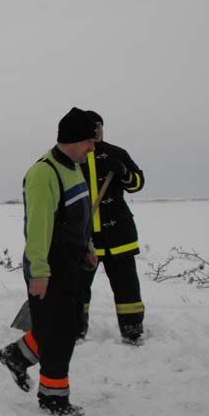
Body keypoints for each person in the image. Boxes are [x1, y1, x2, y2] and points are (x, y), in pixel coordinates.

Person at [0, 107, 98, 416]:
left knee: (64, 326)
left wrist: (88, 247)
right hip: (49, 265)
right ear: (74, 139)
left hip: (72, 262)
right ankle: (53, 398)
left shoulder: (74, 169)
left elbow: (80, 217)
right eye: (89, 141)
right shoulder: (44, 174)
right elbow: (38, 229)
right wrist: (39, 272)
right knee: (60, 335)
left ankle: (16, 356)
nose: (92, 148)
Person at [80, 110, 146, 345]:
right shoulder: (74, 158)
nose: (97, 130)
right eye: (92, 127)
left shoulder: (117, 154)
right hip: (85, 238)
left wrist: (124, 173)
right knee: (77, 288)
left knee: (127, 288)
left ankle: (132, 330)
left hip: (119, 236)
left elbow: (137, 184)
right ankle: (74, 331)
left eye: (100, 126)